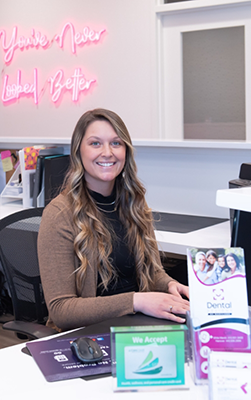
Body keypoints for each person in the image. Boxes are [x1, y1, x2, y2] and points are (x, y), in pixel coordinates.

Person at [38, 108, 190, 332]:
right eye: (95, 143)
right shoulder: (59, 214)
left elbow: (150, 270)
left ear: (126, 151)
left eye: (116, 143)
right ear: (78, 151)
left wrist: (170, 285)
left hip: (137, 326)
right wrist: (136, 301)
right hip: (91, 335)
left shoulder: (133, 203)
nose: (107, 152)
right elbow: (61, 310)